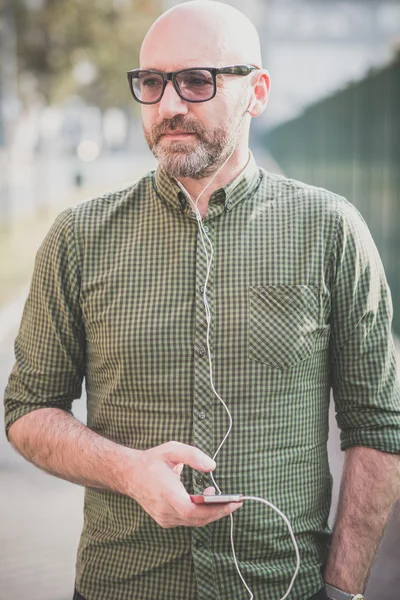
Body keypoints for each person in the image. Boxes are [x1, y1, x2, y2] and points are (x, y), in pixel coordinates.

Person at [3, 2, 400, 599]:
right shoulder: (77, 238)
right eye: (152, 82)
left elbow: (378, 423)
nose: (169, 105)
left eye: (197, 81)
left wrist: (343, 589)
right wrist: (128, 472)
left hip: (281, 587)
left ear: (257, 92)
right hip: (122, 585)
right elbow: (28, 410)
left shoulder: (330, 230)